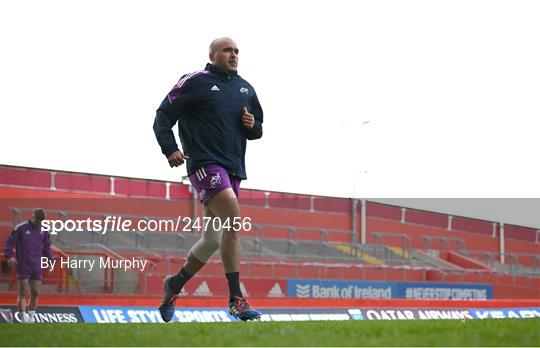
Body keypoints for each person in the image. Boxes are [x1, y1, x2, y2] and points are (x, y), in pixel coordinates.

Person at [153, 37, 263, 322]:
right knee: (233, 221)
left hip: (234, 169)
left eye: (237, 50)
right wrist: (171, 149)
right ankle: (236, 298)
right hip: (204, 164)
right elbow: (163, 116)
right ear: (213, 54)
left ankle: (174, 284)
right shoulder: (194, 81)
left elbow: (258, 128)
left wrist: (253, 126)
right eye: (227, 50)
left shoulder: (245, 88)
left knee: (212, 239)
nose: (234, 54)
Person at [4, 208, 52, 323]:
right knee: (24, 291)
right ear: (32, 217)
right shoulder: (21, 228)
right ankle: (22, 316)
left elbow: (46, 248)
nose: (39, 222)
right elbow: (8, 242)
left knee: (35, 292)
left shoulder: (44, 231)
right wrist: (9, 255)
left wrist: (50, 262)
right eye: (38, 220)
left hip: (36, 265)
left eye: (41, 221)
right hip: (22, 264)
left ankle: (31, 317)